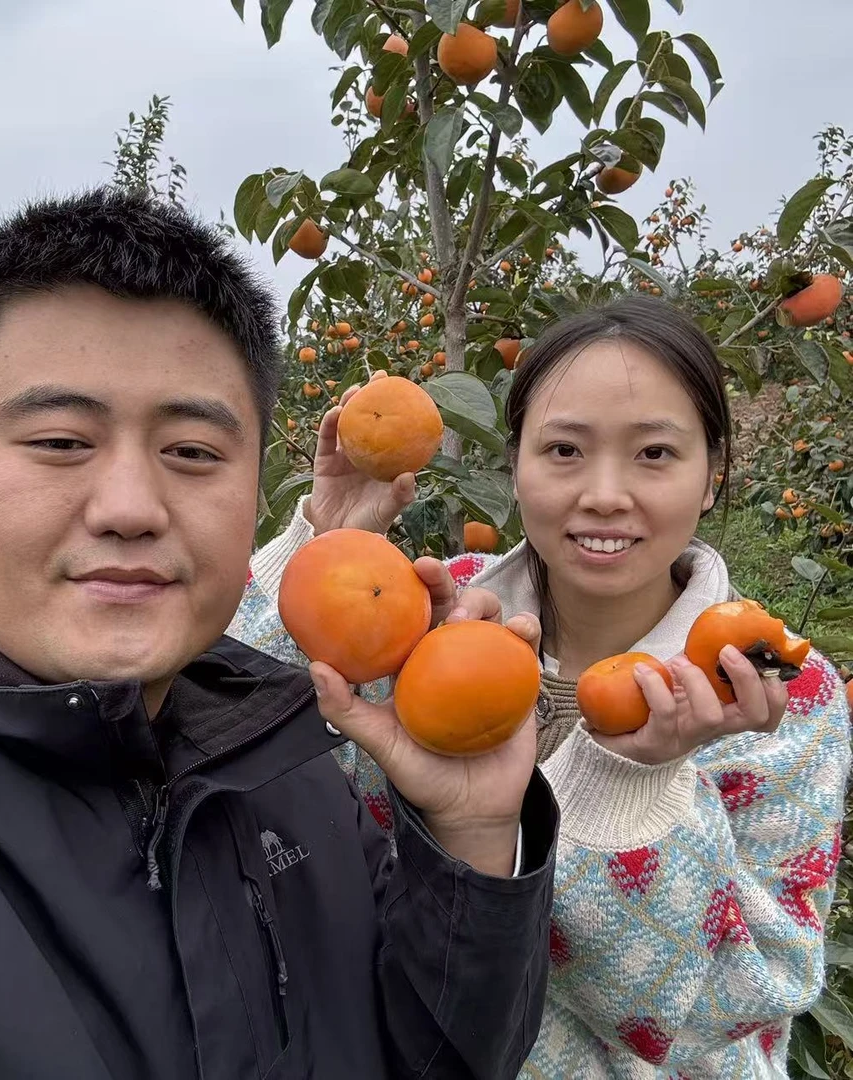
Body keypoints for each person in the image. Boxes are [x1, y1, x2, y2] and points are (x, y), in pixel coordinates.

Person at [0, 188, 558, 1079]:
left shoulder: (291, 764)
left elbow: (440, 1064)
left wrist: (470, 834)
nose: (130, 508)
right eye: (60, 441)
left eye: (191, 452)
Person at [230, 296, 852, 1077]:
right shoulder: (441, 610)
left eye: (655, 453)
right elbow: (236, 736)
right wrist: (329, 542)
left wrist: (632, 789)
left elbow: (734, 1007)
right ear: (515, 466)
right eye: (563, 450)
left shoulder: (775, 693)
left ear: (711, 476)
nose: (605, 493)